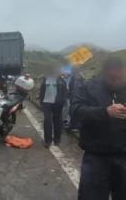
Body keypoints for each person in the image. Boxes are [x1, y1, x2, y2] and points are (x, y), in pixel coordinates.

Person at [70, 56, 126, 200]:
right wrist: (105, 112)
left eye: (119, 76)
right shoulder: (88, 87)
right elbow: (76, 111)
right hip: (96, 157)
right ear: (105, 73)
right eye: (112, 76)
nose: (116, 79)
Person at [39, 64, 68, 148]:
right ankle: (48, 141)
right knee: (47, 121)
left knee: (58, 122)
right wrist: (41, 102)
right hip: (47, 103)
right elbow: (42, 91)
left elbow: (65, 92)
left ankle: (57, 140)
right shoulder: (45, 80)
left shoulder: (61, 80)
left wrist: (62, 101)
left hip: (57, 104)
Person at [68, 66, 85, 132]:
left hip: (78, 98)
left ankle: (77, 127)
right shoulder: (73, 78)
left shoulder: (80, 78)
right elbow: (70, 87)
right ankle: (72, 125)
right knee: (71, 112)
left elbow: (82, 88)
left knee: (76, 112)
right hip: (73, 97)